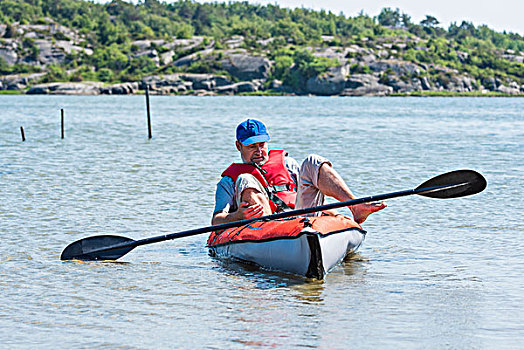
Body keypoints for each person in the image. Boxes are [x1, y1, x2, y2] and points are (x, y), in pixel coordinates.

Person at [212, 119, 386, 225]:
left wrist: (335, 214)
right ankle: (267, 234)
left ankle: (355, 205)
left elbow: (307, 194)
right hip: (265, 228)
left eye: (262, 145)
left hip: (299, 217)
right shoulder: (228, 182)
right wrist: (237, 216)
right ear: (238, 146)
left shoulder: (288, 164)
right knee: (245, 178)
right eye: (251, 146)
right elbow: (217, 220)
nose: (259, 151)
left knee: (313, 161)